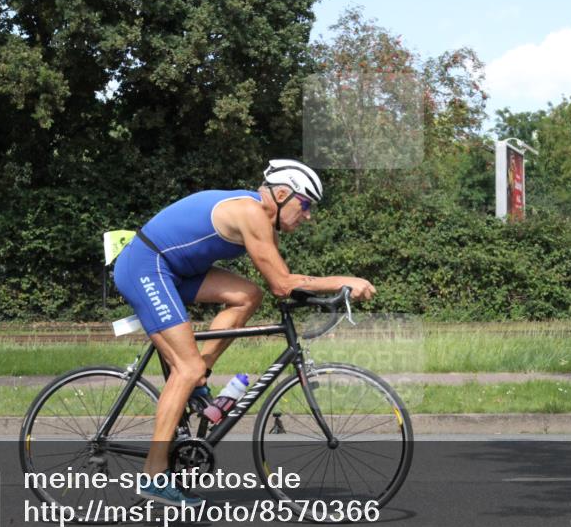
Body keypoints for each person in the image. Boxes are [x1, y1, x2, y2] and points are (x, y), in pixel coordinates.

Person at [113, 159, 376, 506]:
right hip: (146, 266)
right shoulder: (251, 214)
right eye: (306, 204)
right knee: (185, 367)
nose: (308, 215)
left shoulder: (258, 215)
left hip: (173, 269)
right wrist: (344, 281)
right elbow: (283, 284)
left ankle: (197, 379)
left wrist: (321, 293)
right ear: (282, 194)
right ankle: (154, 476)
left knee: (247, 296)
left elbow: (281, 283)